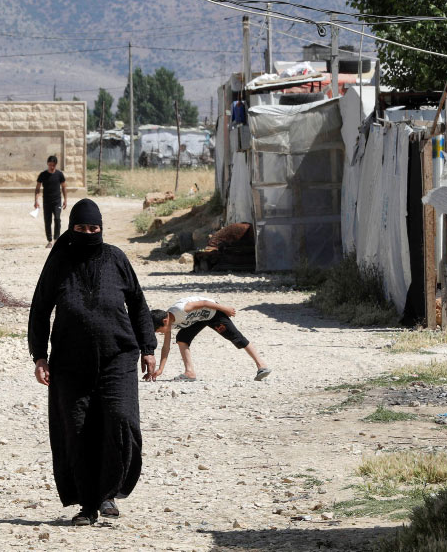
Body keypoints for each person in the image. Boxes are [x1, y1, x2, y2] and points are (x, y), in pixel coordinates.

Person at [28, 199, 157, 526]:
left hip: (118, 356)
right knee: (76, 429)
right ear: (71, 229)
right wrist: (40, 356)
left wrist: (148, 348)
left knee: (121, 419)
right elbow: (40, 309)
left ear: (101, 229)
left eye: (93, 228)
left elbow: (138, 304)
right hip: (69, 363)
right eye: (81, 228)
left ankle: (108, 493)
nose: (88, 233)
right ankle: (87, 504)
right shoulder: (59, 262)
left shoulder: (116, 258)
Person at [148, 296, 270, 382]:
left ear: (165, 321)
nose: (158, 332)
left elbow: (204, 303)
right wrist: (161, 369)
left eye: (158, 330)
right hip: (199, 319)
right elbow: (166, 347)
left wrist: (225, 308)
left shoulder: (180, 309)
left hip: (213, 313)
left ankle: (262, 365)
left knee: (237, 338)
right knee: (182, 338)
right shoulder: (169, 324)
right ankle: (190, 372)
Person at [34, 155, 67, 248]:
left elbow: (64, 187)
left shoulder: (59, 174)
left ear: (56, 165)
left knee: (57, 219)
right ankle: (49, 240)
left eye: (53, 165)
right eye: (50, 165)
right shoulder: (43, 175)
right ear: (47, 164)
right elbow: (37, 189)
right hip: (46, 202)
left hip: (57, 201)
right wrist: (36, 200)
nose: (51, 167)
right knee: (47, 221)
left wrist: (65, 200)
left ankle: (56, 239)